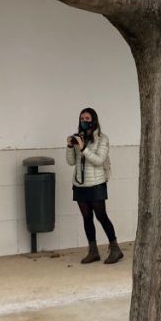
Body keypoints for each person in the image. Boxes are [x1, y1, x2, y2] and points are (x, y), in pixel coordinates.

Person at [66, 107, 123, 265]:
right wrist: (71, 146)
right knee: (86, 217)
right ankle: (93, 251)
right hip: (79, 183)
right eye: (81, 119)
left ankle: (115, 249)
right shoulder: (79, 137)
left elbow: (98, 160)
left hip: (96, 183)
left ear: (94, 120)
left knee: (101, 216)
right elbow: (71, 162)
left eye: (87, 119)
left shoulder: (103, 139)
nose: (84, 121)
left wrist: (84, 148)